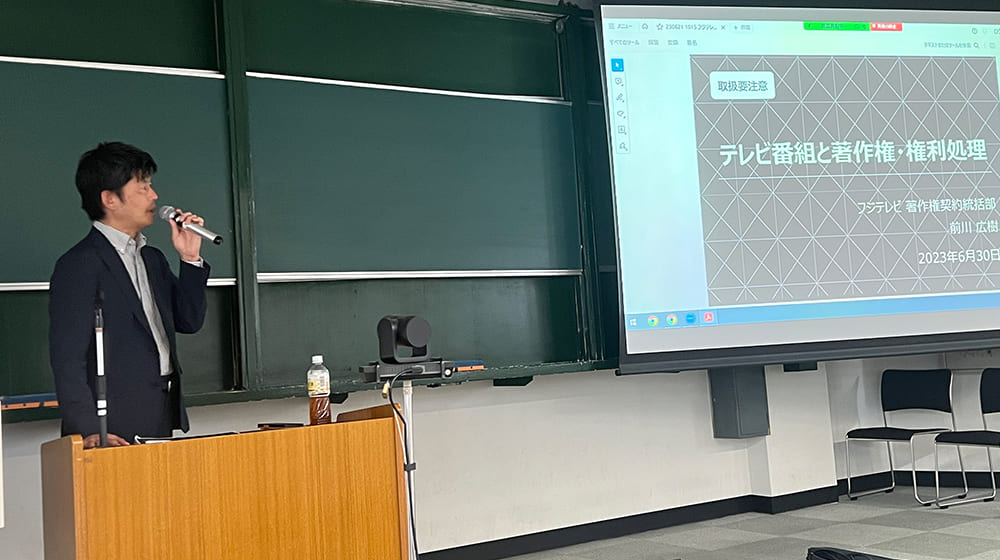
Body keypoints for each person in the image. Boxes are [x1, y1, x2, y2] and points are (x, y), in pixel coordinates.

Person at [49, 141, 210, 448]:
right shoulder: (80, 264)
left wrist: (190, 259)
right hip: (109, 424)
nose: (154, 195)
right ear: (110, 199)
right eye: (143, 187)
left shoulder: (152, 258)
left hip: (160, 410)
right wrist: (88, 429)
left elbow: (189, 320)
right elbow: (67, 358)